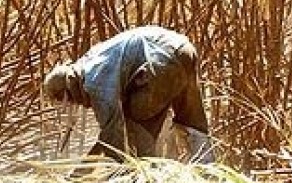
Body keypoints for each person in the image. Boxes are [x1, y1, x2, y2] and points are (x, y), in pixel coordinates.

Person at [43, 25, 215, 165]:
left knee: (136, 126)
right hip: (183, 47)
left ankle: (143, 176)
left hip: (160, 58)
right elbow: (107, 135)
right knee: (191, 117)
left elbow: (113, 134)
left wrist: (119, 169)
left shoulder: (94, 81)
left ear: (67, 93)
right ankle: (208, 169)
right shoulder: (91, 61)